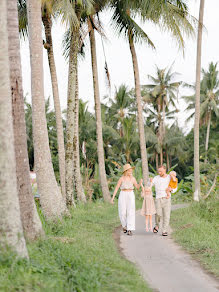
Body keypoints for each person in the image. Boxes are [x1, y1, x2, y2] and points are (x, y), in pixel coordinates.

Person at [111, 164, 141, 236]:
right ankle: (124, 226)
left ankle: (130, 229)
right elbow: (117, 188)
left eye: (131, 170)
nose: (131, 171)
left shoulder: (133, 178)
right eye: (129, 170)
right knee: (122, 212)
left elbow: (137, 187)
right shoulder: (121, 179)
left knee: (130, 211)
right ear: (126, 171)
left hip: (130, 194)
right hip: (123, 194)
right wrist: (112, 198)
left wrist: (140, 183)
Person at [152, 165, 177, 236]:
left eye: (161, 171)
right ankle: (157, 225)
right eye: (158, 171)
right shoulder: (156, 178)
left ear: (165, 170)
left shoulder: (170, 177)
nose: (159, 173)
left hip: (167, 198)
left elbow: (175, 186)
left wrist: (171, 190)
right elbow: (150, 185)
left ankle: (164, 230)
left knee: (166, 215)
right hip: (158, 198)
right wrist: (149, 182)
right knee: (158, 214)